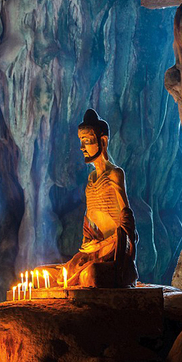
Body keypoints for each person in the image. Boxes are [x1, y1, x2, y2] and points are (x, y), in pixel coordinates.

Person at [44, 109, 139, 288]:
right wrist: (89, 242)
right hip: (93, 249)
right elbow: (90, 221)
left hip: (112, 250)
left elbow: (126, 219)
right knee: (47, 275)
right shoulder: (90, 180)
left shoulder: (114, 174)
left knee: (91, 275)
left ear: (102, 141)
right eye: (81, 141)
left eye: (87, 141)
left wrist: (119, 250)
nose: (82, 147)